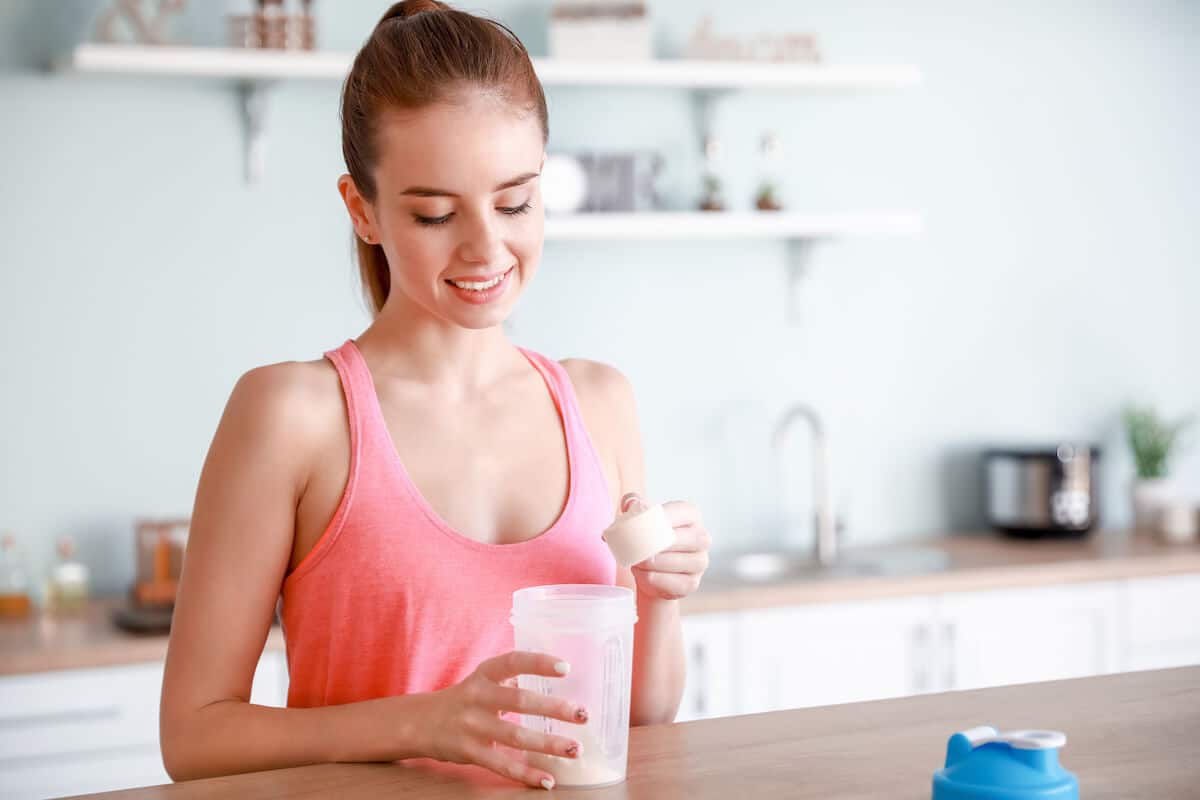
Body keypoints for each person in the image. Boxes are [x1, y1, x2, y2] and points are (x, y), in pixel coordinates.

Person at [159, 0, 711, 791]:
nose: (486, 246)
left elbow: (642, 719)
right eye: (436, 213)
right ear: (364, 211)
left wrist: (661, 598)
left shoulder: (600, 402)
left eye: (515, 201)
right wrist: (425, 722)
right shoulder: (293, 416)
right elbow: (193, 735)